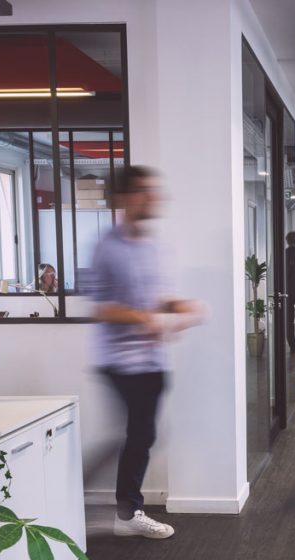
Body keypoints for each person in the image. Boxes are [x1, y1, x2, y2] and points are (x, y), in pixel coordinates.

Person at [90, 165, 205, 540]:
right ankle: (125, 511)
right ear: (122, 199)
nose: (151, 196)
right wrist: (143, 318)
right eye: (142, 191)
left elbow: (158, 299)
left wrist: (183, 306)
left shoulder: (155, 247)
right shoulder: (106, 248)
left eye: (153, 190)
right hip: (121, 362)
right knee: (139, 435)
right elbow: (101, 307)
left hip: (153, 361)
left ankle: (122, 508)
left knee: (143, 435)